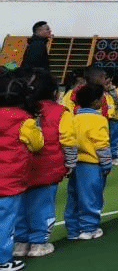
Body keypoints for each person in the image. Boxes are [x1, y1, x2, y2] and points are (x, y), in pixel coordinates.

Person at [14, 70, 74, 258]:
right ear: (54, 92)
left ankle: (21, 243)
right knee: (42, 207)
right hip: (48, 169)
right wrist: (70, 164)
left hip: (21, 168)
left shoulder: (19, 110)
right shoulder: (60, 112)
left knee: (21, 207)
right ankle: (38, 243)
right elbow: (69, 141)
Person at [0, 75, 45, 271]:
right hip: (10, 180)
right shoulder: (24, 121)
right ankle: (3, 260)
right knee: (6, 221)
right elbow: (37, 144)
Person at [65, 83, 112, 240]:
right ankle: (89, 228)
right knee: (91, 197)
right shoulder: (99, 120)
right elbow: (101, 145)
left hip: (76, 164)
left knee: (73, 197)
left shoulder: (73, 118)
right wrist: (107, 164)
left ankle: (73, 230)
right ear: (95, 101)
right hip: (92, 165)